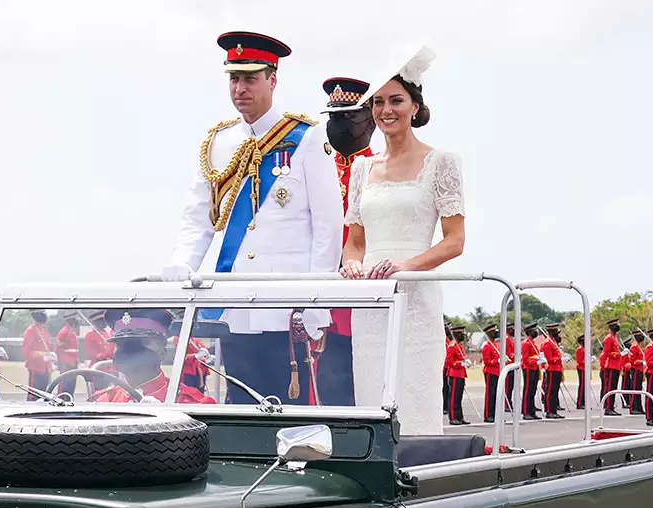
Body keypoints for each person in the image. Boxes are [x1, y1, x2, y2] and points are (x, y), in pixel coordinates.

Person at [164, 32, 340, 405]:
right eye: (234, 78)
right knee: (240, 403)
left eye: (250, 78)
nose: (240, 88)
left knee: (290, 410)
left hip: (285, 306)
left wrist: (316, 300)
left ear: (272, 80)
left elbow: (327, 227)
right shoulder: (218, 142)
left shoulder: (307, 138)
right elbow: (198, 216)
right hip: (236, 302)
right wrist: (182, 263)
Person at [339, 46, 464, 434]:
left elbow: (454, 241)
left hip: (416, 295)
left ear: (415, 106)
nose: (385, 110)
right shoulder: (361, 168)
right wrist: (352, 264)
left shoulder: (442, 162)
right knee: (372, 393)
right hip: (371, 298)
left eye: (395, 100)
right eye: (378, 102)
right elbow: (354, 242)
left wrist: (406, 266)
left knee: (415, 394)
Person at [314, 75, 376, 406]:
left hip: (363, 294)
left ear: (369, 120)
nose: (339, 125)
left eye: (348, 116)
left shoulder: (379, 170)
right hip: (324, 294)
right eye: (334, 117)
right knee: (326, 387)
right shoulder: (318, 169)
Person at [90, 309, 215, 404]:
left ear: (162, 353)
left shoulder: (190, 403)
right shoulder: (105, 401)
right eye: (122, 344)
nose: (130, 351)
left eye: (142, 343)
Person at [444, 324, 468, 425]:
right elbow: (448, 362)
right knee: (453, 397)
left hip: (461, 374)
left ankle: (459, 417)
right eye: (461, 333)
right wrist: (460, 363)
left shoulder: (460, 346)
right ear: (456, 334)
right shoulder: (452, 346)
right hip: (454, 374)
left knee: (459, 397)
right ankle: (453, 417)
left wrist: (465, 363)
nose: (463, 335)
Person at [599, 318, 622, 415]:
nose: (618, 326)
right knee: (610, 387)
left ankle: (611, 407)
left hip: (615, 365)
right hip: (611, 365)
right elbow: (607, 353)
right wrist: (618, 354)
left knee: (614, 387)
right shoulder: (608, 338)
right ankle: (608, 408)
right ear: (612, 327)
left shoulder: (614, 337)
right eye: (616, 325)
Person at [541, 323, 565, 419]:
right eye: (555, 331)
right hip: (551, 369)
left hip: (557, 369)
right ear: (551, 332)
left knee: (555, 391)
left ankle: (553, 410)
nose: (557, 333)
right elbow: (549, 359)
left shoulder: (553, 341)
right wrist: (560, 359)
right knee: (550, 391)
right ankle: (549, 411)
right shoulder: (547, 343)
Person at [480, 322, 502, 422]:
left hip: (497, 372)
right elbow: (487, 361)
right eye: (494, 332)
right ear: (489, 333)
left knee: (497, 394)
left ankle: (495, 414)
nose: (496, 333)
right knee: (490, 394)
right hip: (490, 372)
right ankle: (488, 415)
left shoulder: (496, 345)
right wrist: (496, 361)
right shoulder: (487, 346)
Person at [575, 334, 587, 410]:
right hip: (581, 368)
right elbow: (579, 361)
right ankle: (579, 403)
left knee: (585, 386)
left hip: (585, 368)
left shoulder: (585, 349)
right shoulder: (580, 349)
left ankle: (583, 402)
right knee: (582, 385)